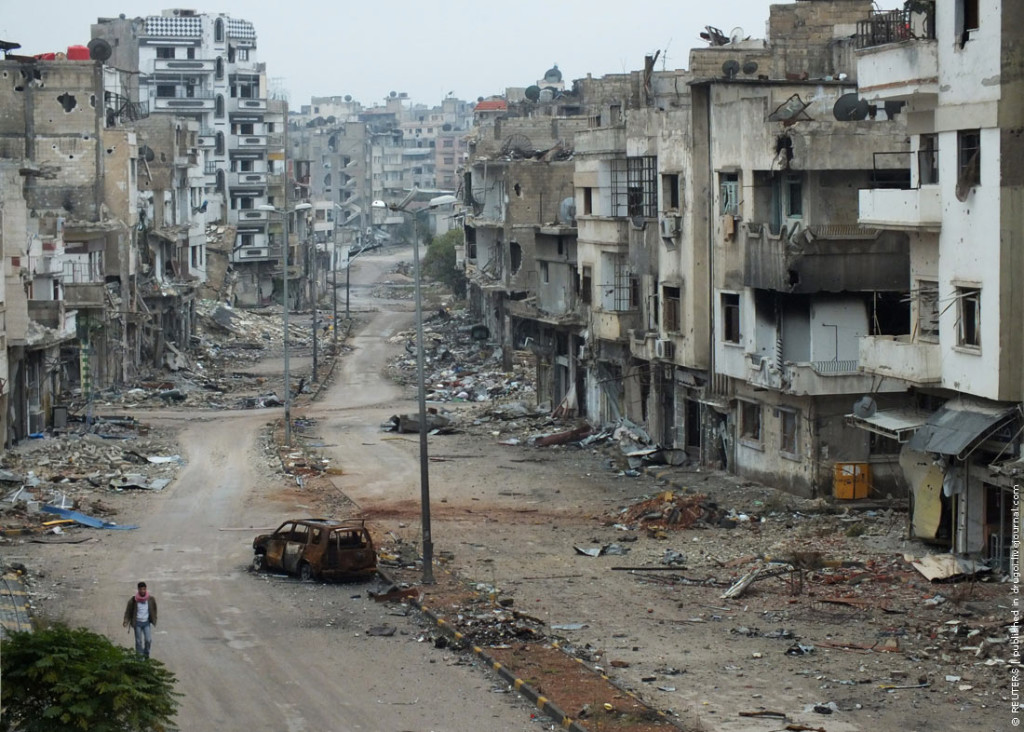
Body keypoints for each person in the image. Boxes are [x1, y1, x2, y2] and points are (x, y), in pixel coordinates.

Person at [123, 581, 158, 658]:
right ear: (138, 590)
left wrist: (154, 618)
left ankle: (146, 654)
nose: (142, 591)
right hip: (137, 623)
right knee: (138, 641)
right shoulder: (133, 600)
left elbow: (154, 609)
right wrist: (126, 621)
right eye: (141, 589)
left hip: (146, 623)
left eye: (144, 589)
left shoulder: (150, 599)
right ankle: (139, 657)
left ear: (146, 589)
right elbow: (128, 611)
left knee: (148, 640)